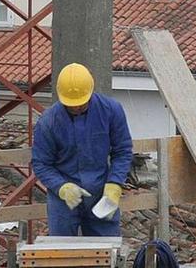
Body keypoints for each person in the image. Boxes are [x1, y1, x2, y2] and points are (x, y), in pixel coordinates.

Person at [32, 63, 133, 236]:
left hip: (101, 193)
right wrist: (61, 187)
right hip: (63, 199)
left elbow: (122, 151)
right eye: (72, 104)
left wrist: (115, 183)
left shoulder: (111, 111)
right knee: (62, 254)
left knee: (105, 252)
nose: (77, 107)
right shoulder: (48, 122)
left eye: (81, 103)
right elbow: (41, 164)